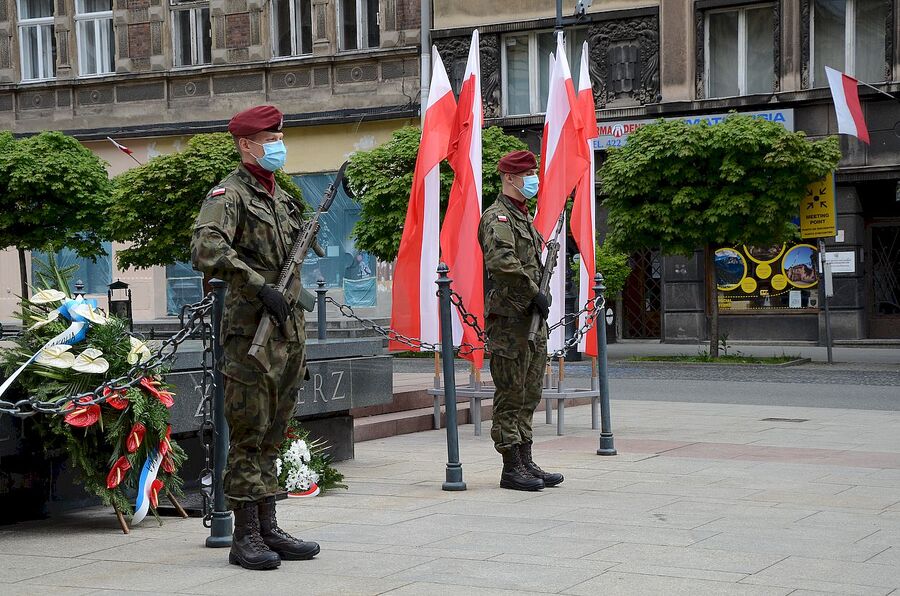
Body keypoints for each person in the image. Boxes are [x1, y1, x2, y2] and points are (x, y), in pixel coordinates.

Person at [191, 105, 319, 570]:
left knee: (274, 431)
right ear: (247, 144)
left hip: (285, 330)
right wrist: (257, 283)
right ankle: (243, 535)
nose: (279, 145)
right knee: (249, 432)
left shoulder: (279, 196)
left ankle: (268, 526)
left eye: (280, 137)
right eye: (270, 139)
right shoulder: (230, 195)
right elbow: (206, 248)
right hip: (250, 333)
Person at [477, 150, 565, 492]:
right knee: (511, 392)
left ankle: (526, 460)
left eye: (534, 173)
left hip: (531, 317)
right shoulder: (497, 217)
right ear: (510, 178)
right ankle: (510, 466)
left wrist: (538, 297)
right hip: (511, 319)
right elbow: (503, 263)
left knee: (530, 391)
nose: (534, 179)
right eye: (528, 174)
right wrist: (534, 293)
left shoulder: (521, 217)